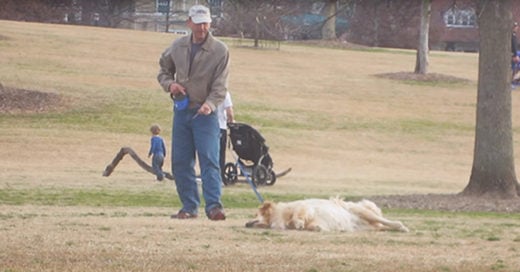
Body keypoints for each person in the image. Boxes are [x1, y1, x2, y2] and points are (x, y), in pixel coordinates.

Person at [157, 4, 229, 221]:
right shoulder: (177, 46)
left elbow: (220, 85)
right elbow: (163, 70)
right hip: (182, 111)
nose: (202, 28)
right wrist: (170, 85)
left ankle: (214, 207)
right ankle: (189, 207)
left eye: (206, 23)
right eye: (198, 23)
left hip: (206, 114)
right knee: (180, 161)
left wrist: (210, 104)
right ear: (189, 23)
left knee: (209, 160)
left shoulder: (220, 51)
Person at [217, 91, 234, 182]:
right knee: (220, 154)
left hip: (208, 127)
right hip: (221, 126)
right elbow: (229, 112)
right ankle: (219, 175)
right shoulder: (225, 93)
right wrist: (231, 121)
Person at [512, 22, 520, 87]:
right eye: (515, 27)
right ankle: (513, 80)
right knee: (514, 67)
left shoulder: (514, 35)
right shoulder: (511, 36)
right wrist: (515, 55)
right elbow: (513, 46)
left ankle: (515, 79)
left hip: (516, 53)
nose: (516, 28)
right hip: (513, 55)